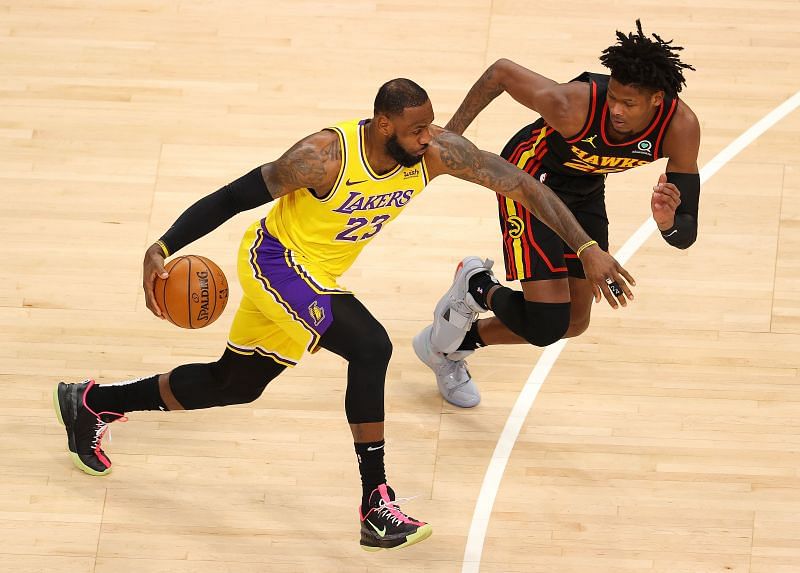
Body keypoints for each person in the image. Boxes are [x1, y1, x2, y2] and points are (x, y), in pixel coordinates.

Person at [53, 78, 632, 551]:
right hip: (274, 261)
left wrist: (586, 248)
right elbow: (234, 197)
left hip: (315, 278)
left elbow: (525, 186)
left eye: (429, 126)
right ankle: (376, 505)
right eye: (415, 129)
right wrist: (163, 245)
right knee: (371, 345)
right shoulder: (321, 158)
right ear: (383, 126)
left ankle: (92, 402)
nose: (428, 137)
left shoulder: (433, 154)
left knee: (236, 384)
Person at [414, 20, 700, 408]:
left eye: (628, 103)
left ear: (657, 99)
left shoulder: (680, 128)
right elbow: (500, 72)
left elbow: (685, 232)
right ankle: (476, 288)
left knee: (574, 322)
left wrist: (666, 223)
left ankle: (457, 336)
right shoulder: (573, 105)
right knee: (547, 323)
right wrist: (450, 135)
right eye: (613, 96)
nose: (615, 110)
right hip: (527, 178)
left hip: (584, 188)